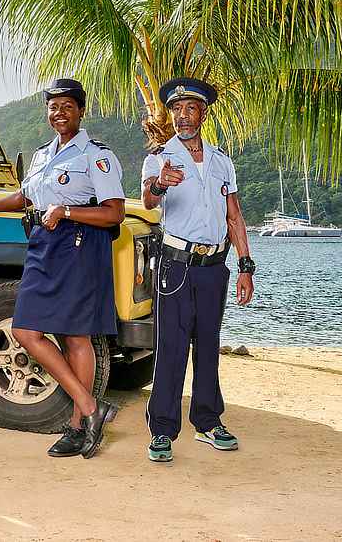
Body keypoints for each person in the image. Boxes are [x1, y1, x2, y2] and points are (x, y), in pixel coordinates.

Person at [0, 79, 124, 458]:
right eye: (53, 107)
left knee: (75, 337)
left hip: (78, 246)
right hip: (43, 245)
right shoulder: (41, 155)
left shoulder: (95, 156)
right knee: (26, 330)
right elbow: (25, 196)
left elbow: (113, 212)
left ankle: (76, 427)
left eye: (67, 106)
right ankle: (90, 407)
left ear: (81, 111)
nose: (59, 113)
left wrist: (66, 211)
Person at [141, 77, 255, 463]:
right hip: (175, 267)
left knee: (207, 345)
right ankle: (161, 431)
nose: (182, 116)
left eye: (190, 108)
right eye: (176, 109)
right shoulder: (160, 158)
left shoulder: (223, 161)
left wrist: (245, 265)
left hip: (214, 267)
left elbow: (234, 215)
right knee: (171, 349)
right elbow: (148, 200)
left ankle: (207, 422)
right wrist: (160, 183)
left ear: (203, 114)